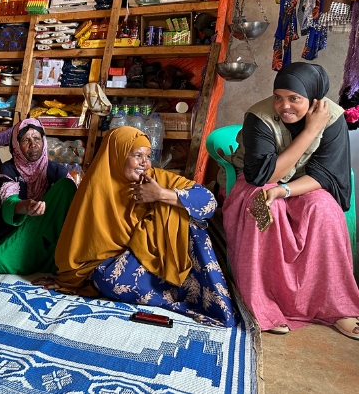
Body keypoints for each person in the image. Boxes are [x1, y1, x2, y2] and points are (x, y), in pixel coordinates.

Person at [36, 126, 236, 326]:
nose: (145, 163)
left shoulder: (158, 179)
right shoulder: (95, 189)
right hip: (126, 260)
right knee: (109, 280)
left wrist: (161, 195)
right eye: (137, 155)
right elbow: (81, 244)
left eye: (147, 156)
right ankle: (175, 293)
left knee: (189, 216)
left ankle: (198, 294)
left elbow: (209, 203)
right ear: (117, 155)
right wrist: (68, 280)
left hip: (164, 257)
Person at [222, 62, 359, 338]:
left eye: (294, 98)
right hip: (257, 181)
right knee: (264, 208)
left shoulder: (332, 117)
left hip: (305, 183)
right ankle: (264, 305)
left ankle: (338, 308)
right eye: (278, 97)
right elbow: (265, 176)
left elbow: (326, 175)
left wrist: (285, 191)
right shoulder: (259, 117)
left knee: (325, 209)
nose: (284, 106)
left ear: (313, 98)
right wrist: (310, 131)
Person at [0, 119, 77, 274]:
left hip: (49, 232)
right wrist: (26, 207)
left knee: (67, 186)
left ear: (44, 141)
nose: (33, 144)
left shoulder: (56, 171)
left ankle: (50, 258)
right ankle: (49, 262)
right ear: (16, 145)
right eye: (26, 140)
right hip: (20, 234)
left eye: (37, 138)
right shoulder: (8, 170)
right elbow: (9, 201)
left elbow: (74, 203)